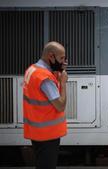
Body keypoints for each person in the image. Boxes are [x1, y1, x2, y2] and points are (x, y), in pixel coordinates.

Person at [23, 41, 68, 169]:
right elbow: (60, 106)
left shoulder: (32, 69)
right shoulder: (45, 78)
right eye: (61, 58)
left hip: (37, 131)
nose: (64, 61)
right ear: (51, 56)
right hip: (47, 134)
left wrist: (58, 71)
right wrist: (64, 83)